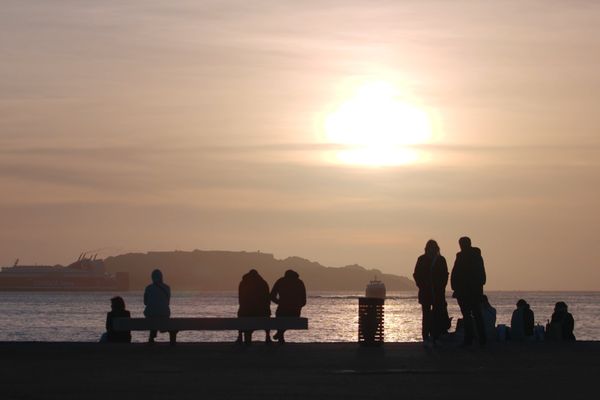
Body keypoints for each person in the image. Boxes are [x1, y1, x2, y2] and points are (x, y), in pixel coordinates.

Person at [450, 236, 487, 346]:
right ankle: (481, 339)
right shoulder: (476, 256)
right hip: (473, 291)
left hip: (465, 292)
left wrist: (455, 287)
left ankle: (470, 339)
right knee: (476, 315)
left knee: (469, 316)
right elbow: (482, 275)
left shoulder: (461, 257)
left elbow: (455, 273)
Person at [413, 239, 449, 346]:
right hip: (430, 291)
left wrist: (440, 286)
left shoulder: (427, 259)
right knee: (429, 314)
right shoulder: (439, 260)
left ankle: (431, 335)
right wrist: (423, 285)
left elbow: (416, 274)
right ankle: (430, 336)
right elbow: (416, 275)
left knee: (431, 314)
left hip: (433, 292)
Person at [270, 269, 306, 344]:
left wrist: (279, 302)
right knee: (290, 320)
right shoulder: (299, 282)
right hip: (295, 311)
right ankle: (280, 335)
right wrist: (298, 306)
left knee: (280, 319)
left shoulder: (280, 281)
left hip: (282, 310)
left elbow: (272, 296)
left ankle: (280, 335)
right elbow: (304, 301)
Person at [236, 269, 272, 345]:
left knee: (242, 316)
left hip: (246, 312)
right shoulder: (263, 283)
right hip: (262, 312)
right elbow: (267, 299)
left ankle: (240, 337)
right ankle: (268, 336)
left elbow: (241, 298)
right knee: (266, 317)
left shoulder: (243, 283)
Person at [143, 269, 172, 344]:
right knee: (159, 314)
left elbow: (145, 303)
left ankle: (151, 338)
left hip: (151, 315)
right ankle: (155, 336)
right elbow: (168, 303)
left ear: (152, 277)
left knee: (153, 314)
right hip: (164, 314)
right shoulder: (167, 288)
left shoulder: (148, 288)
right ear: (162, 277)